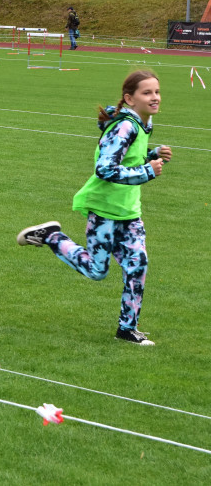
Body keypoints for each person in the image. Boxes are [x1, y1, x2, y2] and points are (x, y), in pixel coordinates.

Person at [17, 70, 171, 346]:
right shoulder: (125, 126)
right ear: (130, 98)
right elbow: (105, 169)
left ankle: (127, 329)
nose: (155, 97)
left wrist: (152, 154)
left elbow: (129, 157)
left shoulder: (142, 125)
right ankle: (51, 236)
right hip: (103, 210)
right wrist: (147, 171)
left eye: (157, 92)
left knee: (138, 265)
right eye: (147, 92)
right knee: (97, 271)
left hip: (129, 212)